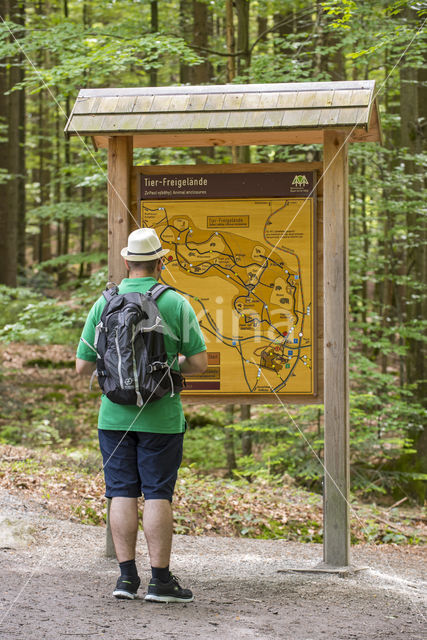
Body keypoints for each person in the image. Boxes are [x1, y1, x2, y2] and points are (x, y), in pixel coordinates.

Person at [75, 227, 207, 602]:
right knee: (157, 495)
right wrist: (170, 365)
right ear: (160, 262)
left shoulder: (104, 304)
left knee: (120, 493)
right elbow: (198, 362)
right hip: (161, 416)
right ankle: (161, 582)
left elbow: (82, 367)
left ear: (127, 260)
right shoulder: (175, 303)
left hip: (114, 416)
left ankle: (126, 579)